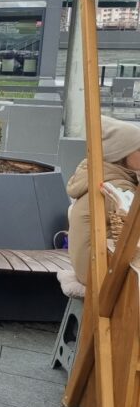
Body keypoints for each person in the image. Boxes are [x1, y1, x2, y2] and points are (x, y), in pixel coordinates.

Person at [67, 115, 140, 285]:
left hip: (88, 265)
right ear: (121, 153)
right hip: (99, 271)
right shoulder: (115, 186)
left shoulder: (102, 176)